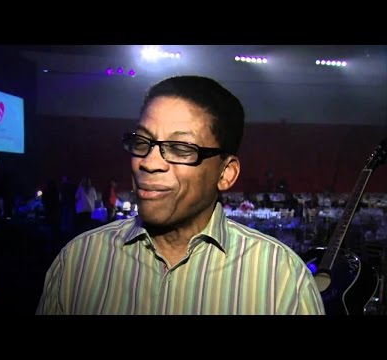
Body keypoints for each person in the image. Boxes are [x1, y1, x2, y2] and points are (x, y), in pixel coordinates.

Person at [36, 75, 325, 315]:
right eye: (142, 141)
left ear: (226, 173)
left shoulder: (282, 279)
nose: (149, 162)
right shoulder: (79, 262)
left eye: (181, 148)